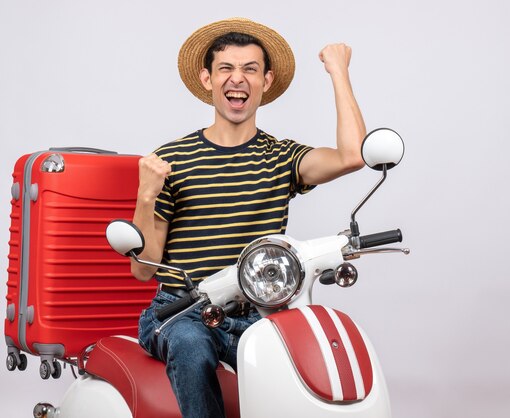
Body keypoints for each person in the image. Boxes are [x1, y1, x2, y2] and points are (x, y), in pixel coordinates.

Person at [131, 17, 366, 418]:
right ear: (207, 79)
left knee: (311, 361)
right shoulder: (173, 160)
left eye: (250, 70)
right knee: (191, 347)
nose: (237, 79)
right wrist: (146, 193)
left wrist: (338, 72)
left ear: (266, 81)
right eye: (226, 68)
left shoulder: (280, 157)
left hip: (259, 312)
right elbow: (142, 269)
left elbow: (351, 156)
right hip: (181, 312)